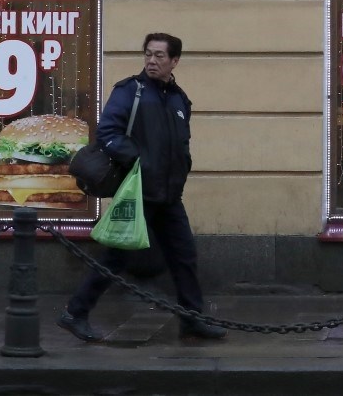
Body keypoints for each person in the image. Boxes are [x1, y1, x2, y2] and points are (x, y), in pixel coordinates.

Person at [58, 33, 227, 341]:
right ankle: (75, 312)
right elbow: (108, 132)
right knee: (116, 257)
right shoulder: (129, 92)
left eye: (160, 56)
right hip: (138, 193)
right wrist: (139, 160)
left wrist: (183, 165)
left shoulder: (179, 99)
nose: (152, 60)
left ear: (174, 61)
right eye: (148, 54)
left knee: (184, 255)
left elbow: (181, 143)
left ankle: (191, 318)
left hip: (169, 195)